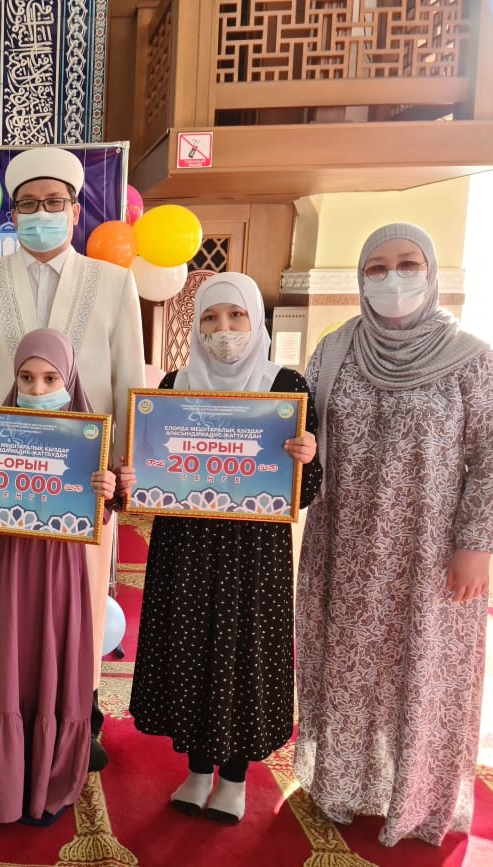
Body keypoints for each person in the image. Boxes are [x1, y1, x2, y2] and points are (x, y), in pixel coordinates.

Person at [294, 222, 493, 846]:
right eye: (377, 268)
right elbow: (307, 433)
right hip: (346, 545)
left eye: (408, 264)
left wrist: (476, 545)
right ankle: (341, 786)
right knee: (348, 669)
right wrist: (300, 451)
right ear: (361, 278)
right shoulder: (335, 350)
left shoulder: (470, 358)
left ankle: (416, 800)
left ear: (431, 270)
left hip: (431, 553)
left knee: (424, 675)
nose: (393, 278)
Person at [0, 147, 146, 768]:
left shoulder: (113, 283)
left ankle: (79, 721)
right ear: (12, 213)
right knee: (4, 610)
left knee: (78, 605)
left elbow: (128, 382)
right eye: (28, 204)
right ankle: (5, 722)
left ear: (76, 209)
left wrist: (124, 472)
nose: (41, 214)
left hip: (82, 486)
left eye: (54, 202)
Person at [120, 273, 321, 824]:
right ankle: (198, 770)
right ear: (196, 326)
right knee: (189, 650)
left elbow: (309, 490)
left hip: (252, 553)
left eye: (235, 316)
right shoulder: (174, 385)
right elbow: (153, 466)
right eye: (210, 318)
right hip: (185, 545)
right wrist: (135, 476)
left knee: (242, 655)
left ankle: (234, 778)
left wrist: (306, 458)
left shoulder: (287, 386)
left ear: (255, 319)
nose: (223, 329)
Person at [0, 328, 117, 826]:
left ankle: (46, 776)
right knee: (9, 657)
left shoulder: (87, 438)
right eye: (27, 378)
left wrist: (106, 490)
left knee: (52, 655)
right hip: (9, 563)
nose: (38, 389)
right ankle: (3, 776)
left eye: (50, 379)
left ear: (69, 380)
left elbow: (103, 513)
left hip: (60, 569)